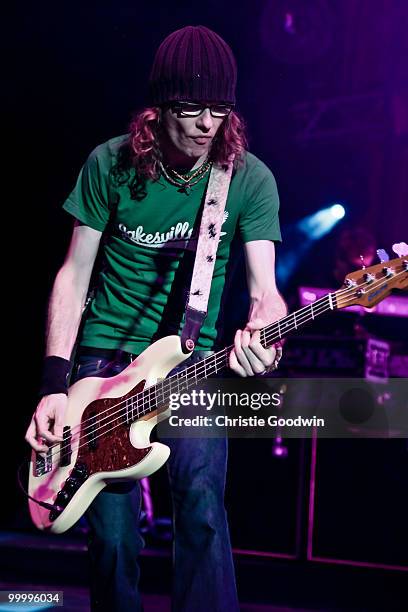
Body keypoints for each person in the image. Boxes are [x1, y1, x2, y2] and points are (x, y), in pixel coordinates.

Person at [25, 25, 287, 612]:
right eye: (190, 108)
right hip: (100, 367)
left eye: (219, 110)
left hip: (190, 367)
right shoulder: (108, 164)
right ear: (157, 107)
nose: (204, 124)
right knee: (114, 539)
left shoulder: (248, 180)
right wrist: (53, 382)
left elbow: (265, 294)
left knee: (201, 504)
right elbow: (74, 274)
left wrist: (264, 341)